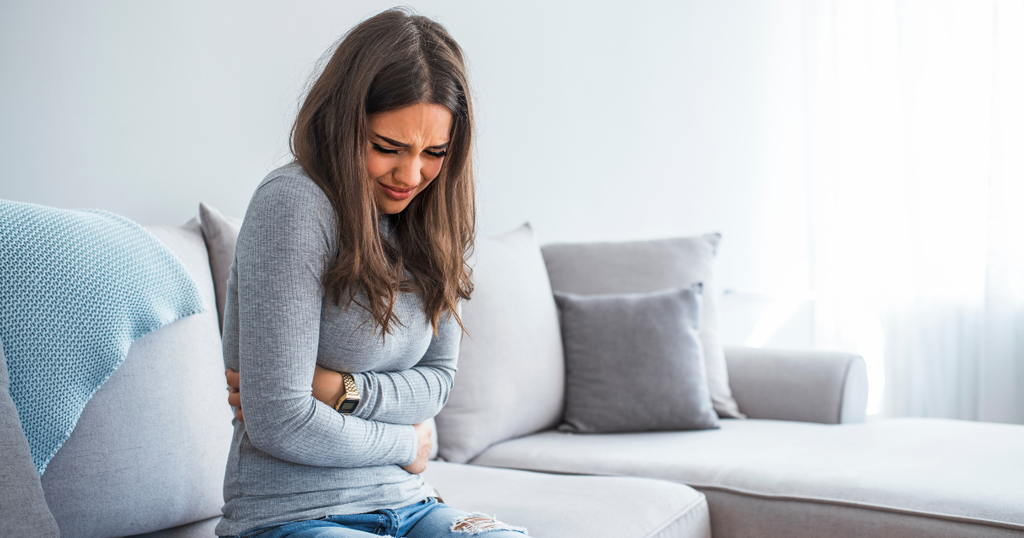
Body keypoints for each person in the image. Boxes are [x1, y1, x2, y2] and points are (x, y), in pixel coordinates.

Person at [215, 9, 530, 538]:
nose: (411, 175)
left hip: (413, 504)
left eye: (434, 153)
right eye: (387, 147)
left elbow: (438, 382)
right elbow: (281, 421)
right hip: (292, 514)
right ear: (343, 124)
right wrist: (408, 442)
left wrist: (342, 390)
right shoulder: (293, 204)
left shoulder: (436, 219)